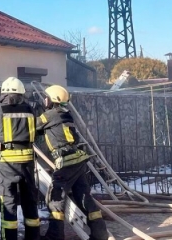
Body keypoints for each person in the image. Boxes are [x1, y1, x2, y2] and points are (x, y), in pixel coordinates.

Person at [37, 85, 108, 240]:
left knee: (55, 198)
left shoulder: (49, 115)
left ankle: (54, 237)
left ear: (52, 100)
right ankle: (100, 234)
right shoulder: (66, 114)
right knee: (84, 197)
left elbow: (33, 127)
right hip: (78, 160)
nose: (44, 99)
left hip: (66, 163)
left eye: (46, 97)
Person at [0, 77, 41, 240]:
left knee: (8, 204)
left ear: (4, 92)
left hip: (7, 164)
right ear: (21, 93)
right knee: (30, 202)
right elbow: (36, 134)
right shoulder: (30, 109)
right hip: (28, 163)